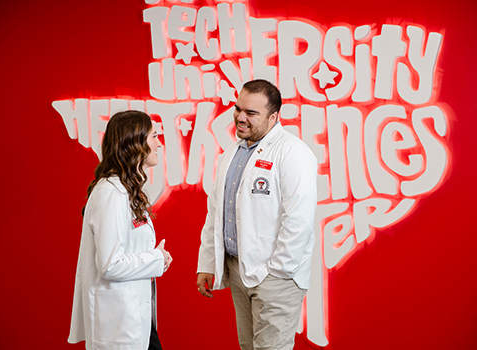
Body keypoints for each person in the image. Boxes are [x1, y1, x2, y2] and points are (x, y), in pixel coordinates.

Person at [196, 79, 318, 350]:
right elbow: (216, 211)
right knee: (249, 347)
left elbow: (299, 218)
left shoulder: (293, 152)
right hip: (238, 269)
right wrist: (207, 264)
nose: (240, 117)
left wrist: (277, 273)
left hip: (274, 278)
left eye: (251, 113)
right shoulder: (233, 153)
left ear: (274, 116)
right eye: (238, 108)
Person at [68, 110, 172, 350]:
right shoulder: (111, 194)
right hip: (120, 325)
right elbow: (110, 264)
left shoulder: (126, 190)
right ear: (135, 142)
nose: (159, 144)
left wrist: (155, 259)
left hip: (136, 320)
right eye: (154, 137)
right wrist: (156, 258)